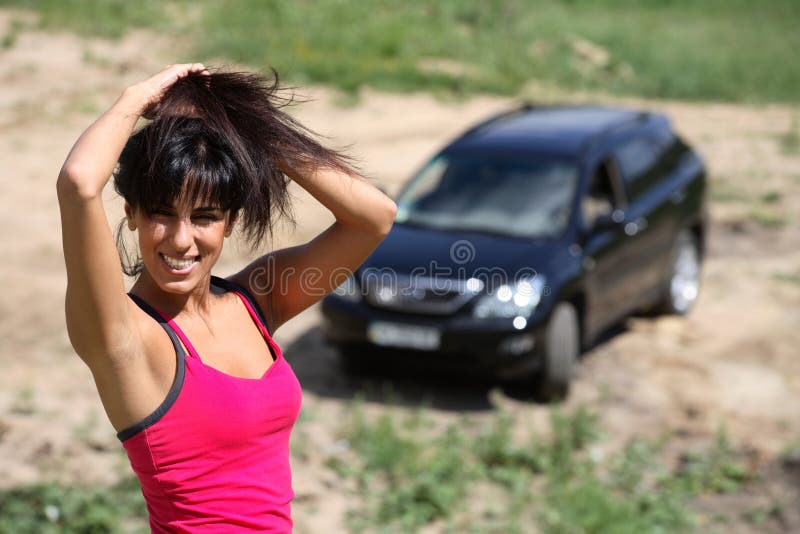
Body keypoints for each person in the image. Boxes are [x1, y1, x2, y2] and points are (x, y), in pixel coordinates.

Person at [57, 63, 397, 532]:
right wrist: (136, 99)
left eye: (204, 216)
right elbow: (78, 183)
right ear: (131, 213)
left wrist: (244, 123)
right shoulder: (124, 336)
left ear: (230, 222)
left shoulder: (258, 300)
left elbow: (374, 217)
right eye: (161, 213)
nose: (180, 240)